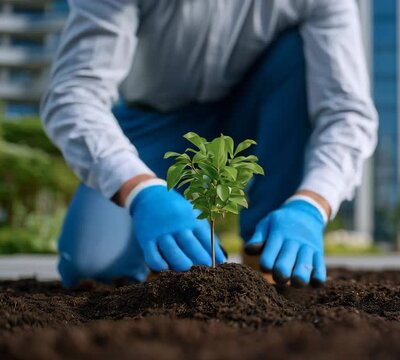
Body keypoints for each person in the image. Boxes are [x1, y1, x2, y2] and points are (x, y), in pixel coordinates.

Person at [41, 0, 378, 288]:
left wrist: (311, 205)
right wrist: (138, 189)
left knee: (299, 54)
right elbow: (74, 94)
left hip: (253, 110)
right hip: (155, 121)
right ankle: (169, 271)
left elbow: (347, 111)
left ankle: (265, 256)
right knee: (94, 267)